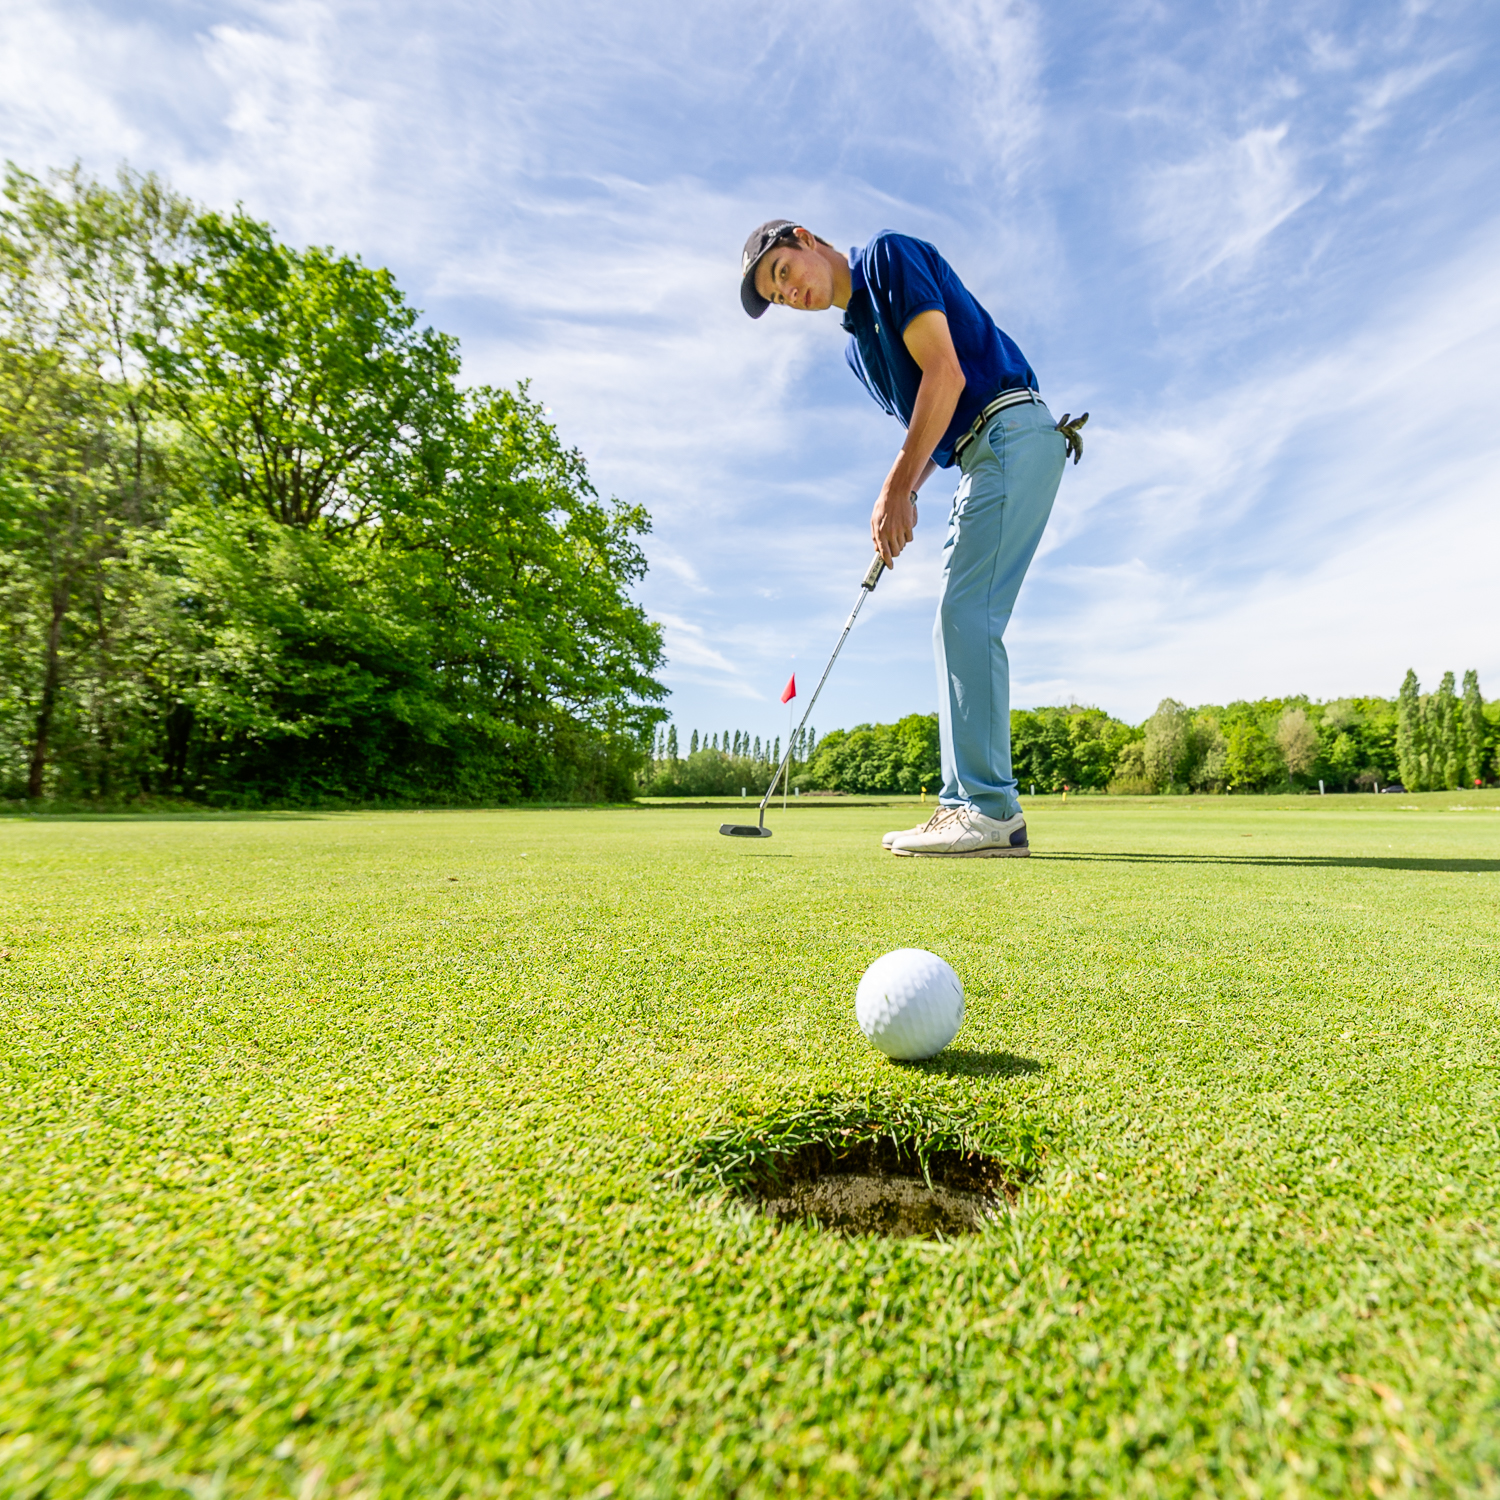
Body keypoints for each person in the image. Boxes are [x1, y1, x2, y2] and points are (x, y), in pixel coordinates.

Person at [739, 220, 1085, 857]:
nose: (790, 294)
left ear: (805, 239)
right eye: (778, 295)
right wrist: (903, 494)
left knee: (966, 613)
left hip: (1010, 428)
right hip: (979, 453)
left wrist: (896, 489)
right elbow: (930, 427)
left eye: (784, 273)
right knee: (951, 623)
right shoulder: (857, 350)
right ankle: (962, 805)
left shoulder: (884, 259)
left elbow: (946, 376)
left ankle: (990, 810)